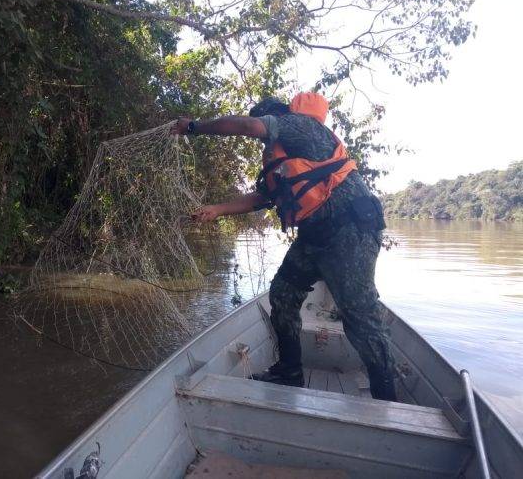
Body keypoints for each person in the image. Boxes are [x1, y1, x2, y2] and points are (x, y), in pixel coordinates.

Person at [170, 93, 397, 401]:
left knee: (359, 315)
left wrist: (194, 127)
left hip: (349, 233)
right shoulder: (279, 159)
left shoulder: (299, 126)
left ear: (275, 115)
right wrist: (217, 209)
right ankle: (289, 371)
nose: (262, 141)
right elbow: (263, 197)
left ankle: (387, 397)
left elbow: (250, 127)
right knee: (283, 294)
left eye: (265, 127)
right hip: (314, 237)